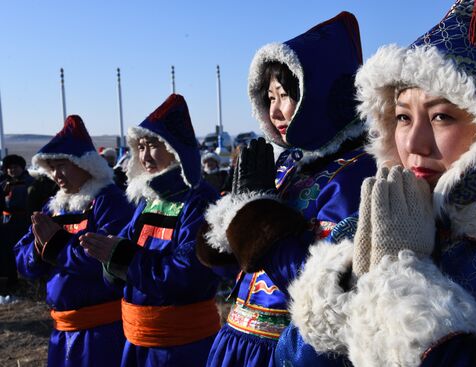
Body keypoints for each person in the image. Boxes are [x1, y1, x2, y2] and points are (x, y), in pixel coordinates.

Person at [285, 0, 476, 366]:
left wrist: (401, 277)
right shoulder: (372, 222)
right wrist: (350, 292)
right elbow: (290, 357)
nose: (412, 143)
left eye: (442, 116)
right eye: (402, 117)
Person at [196, 11, 376, 367]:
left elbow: (328, 284)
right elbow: (229, 264)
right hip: (238, 341)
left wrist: (256, 215)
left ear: (320, 95)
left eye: (284, 95)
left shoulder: (356, 174)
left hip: (288, 349)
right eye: (269, 96)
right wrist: (233, 214)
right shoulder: (288, 163)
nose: (273, 109)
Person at [80, 94, 222, 367]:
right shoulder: (150, 200)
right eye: (140, 147)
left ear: (176, 148)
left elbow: (190, 273)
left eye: (153, 145)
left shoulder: (199, 200)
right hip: (139, 341)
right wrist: (110, 259)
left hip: (181, 347)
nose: (144, 155)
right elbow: (126, 245)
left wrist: (122, 258)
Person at [13, 115, 134, 367]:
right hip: (62, 331)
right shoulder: (54, 206)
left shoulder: (109, 201)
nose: (56, 174)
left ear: (86, 165)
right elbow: (22, 259)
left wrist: (55, 246)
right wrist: (38, 250)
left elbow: (107, 257)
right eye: (51, 167)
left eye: (63, 165)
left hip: (102, 332)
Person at [0, 154, 34, 296]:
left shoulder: (30, 183)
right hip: (5, 223)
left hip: (23, 221)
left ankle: (28, 281)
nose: (12, 170)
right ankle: (11, 281)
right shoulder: (3, 184)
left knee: (24, 249)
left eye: (15, 167)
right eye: (9, 168)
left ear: (21, 167)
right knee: (6, 253)